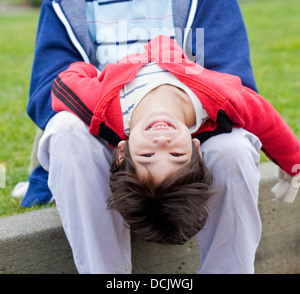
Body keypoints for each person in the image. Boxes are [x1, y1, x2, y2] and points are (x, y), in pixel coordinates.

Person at [23, 0, 266, 273]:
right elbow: (45, 91)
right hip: (104, 139)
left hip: (190, 139)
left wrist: (175, 131)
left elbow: (238, 82)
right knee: (62, 131)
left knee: (234, 152)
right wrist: (123, 127)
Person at [42, 35, 300, 247]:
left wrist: (88, 70)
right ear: (197, 149)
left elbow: (64, 86)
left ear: (123, 151)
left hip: (129, 52)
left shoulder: (102, 108)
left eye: (147, 156)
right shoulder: (220, 100)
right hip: (173, 50)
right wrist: (294, 163)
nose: (162, 142)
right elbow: (264, 118)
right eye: (177, 156)